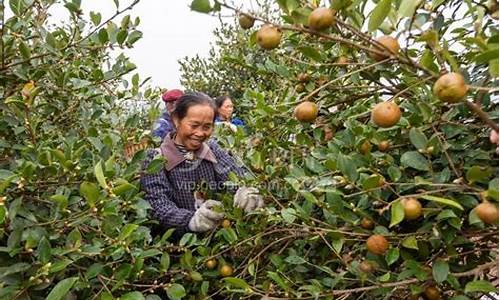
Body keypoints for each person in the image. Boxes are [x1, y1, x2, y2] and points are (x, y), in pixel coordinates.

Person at [141, 92, 263, 235]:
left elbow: (236, 175)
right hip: (180, 249)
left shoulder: (213, 148)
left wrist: (246, 191)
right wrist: (191, 221)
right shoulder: (155, 158)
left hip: (218, 240)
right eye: (194, 125)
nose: (200, 133)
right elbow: (158, 205)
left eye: (207, 127)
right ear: (176, 120)